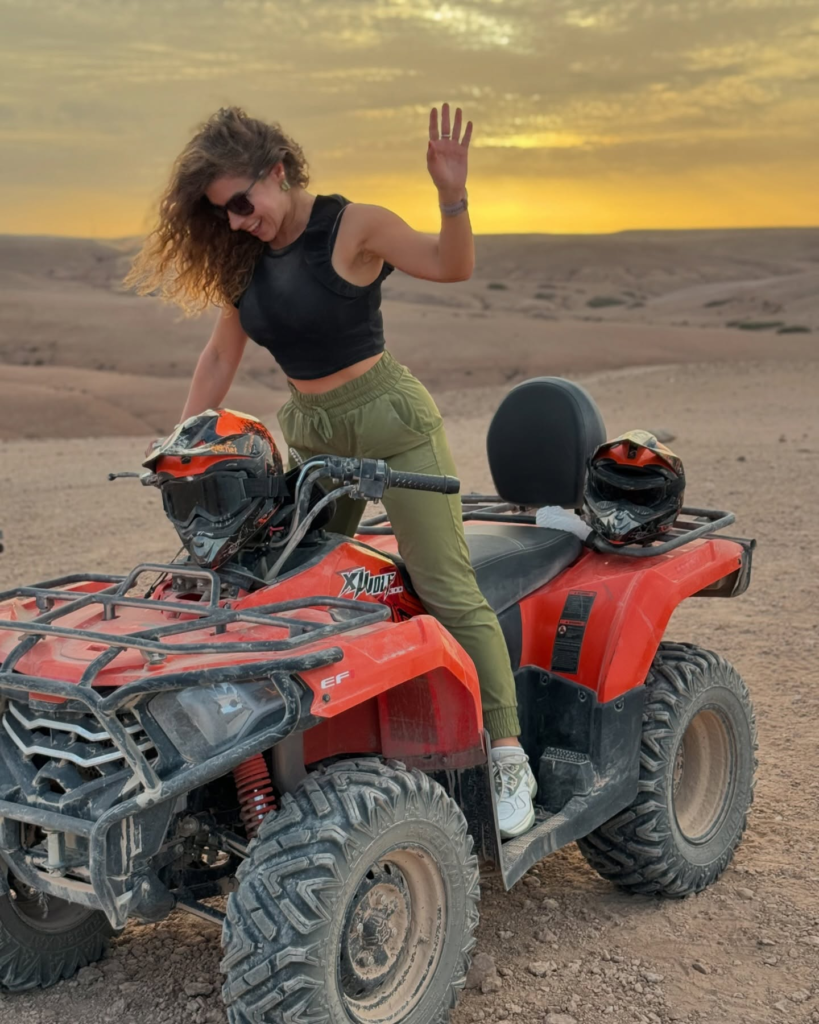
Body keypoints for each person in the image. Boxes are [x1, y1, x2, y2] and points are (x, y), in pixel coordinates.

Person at [126, 102, 536, 839]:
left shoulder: (353, 226)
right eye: (221, 212)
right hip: (314, 438)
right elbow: (219, 355)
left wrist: (451, 195)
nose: (235, 222)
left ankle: (506, 752)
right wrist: (185, 445)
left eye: (241, 203)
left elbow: (452, 265)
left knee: (443, 585)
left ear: (277, 170)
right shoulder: (244, 258)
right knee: (277, 580)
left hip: (392, 426)